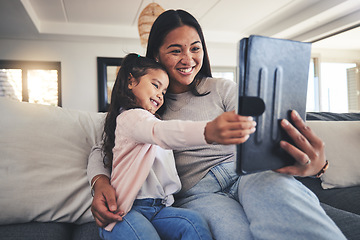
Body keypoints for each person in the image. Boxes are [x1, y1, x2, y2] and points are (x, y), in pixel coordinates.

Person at [88, 10, 347, 239]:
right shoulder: (146, 106)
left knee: (283, 202)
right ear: (155, 54)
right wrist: (100, 183)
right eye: (175, 50)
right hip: (199, 194)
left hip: (246, 175)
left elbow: (263, 133)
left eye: (195, 48)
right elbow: (104, 148)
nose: (188, 58)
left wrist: (316, 165)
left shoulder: (222, 89)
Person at [97, 53, 256, 240]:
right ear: (131, 81)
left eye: (164, 92)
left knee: (193, 223)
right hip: (126, 210)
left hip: (158, 208)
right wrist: (208, 130)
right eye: (155, 85)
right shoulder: (130, 118)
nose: (160, 95)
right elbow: (161, 132)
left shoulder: (153, 119)